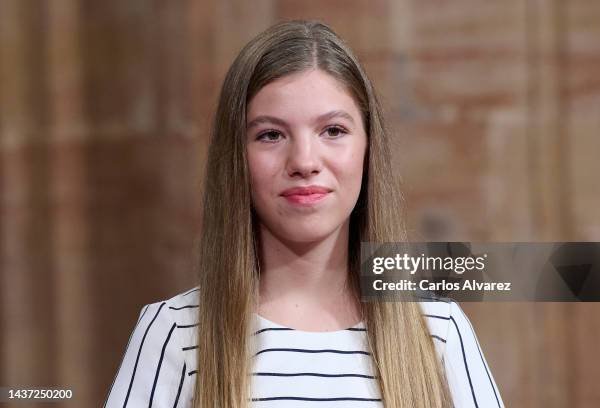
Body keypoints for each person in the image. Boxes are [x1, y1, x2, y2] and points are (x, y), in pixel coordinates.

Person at [104, 19, 504, 408]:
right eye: (271, 135)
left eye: (333, 131)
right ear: (236, 159)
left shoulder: (438, 330)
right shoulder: (174, 331)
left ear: (368, 149)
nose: (304, 161)